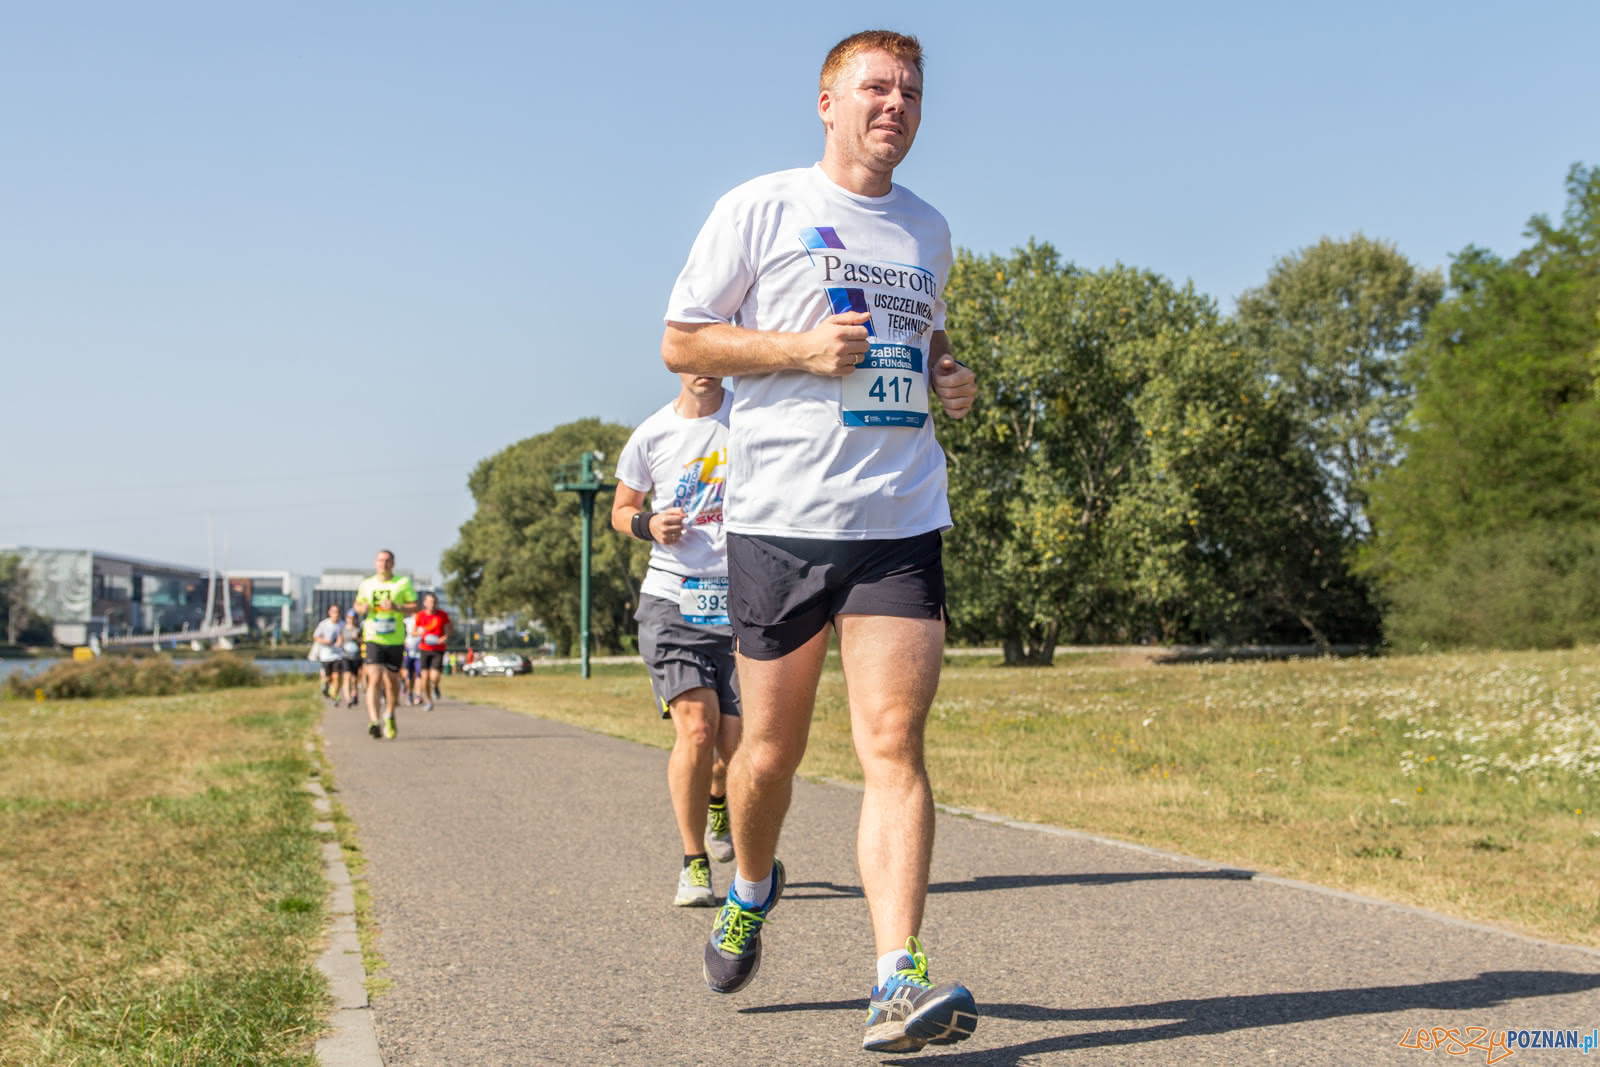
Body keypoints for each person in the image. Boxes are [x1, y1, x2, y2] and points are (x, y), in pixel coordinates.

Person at [660, 29, 979, 1053]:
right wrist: (797, 347)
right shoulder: (762, 206)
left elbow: (918, 337)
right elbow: (683, 338)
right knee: (767, 754)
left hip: (899, 518)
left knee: (892, 744)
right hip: (782, 521)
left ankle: (896, 973)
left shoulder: (927, 229)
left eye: (912, 91)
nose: (896, 104)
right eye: (875, 88)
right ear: (827, 99)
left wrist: (947, 374)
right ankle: (750, 884)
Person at [611, 373, 742, 908]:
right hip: (672, 599)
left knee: (735, 747)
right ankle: (694, 863)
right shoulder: (651, 435)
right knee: (697, 728)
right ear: (678, 363)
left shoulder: (749, 417)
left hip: (743, 599)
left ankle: (719, 800)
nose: (703, 367)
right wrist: (647, 524)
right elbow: (622, 509)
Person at [353, 549, 418, 739]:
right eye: (381, 560)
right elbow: (357, 605)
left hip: (395, 638)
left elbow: (415, 606)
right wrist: (361, 608)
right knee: (373, 678)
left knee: (392, 680)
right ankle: (374, 720)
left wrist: (397, 607)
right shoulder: (367, 584)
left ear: (393, 564)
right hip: (373, 637)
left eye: (388, 560)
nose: (384, 564)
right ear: (375, 563)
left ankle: (389, 713)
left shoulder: (402, 583)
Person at [413, 592, 451, 709]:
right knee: (424, 677)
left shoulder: (442, 615)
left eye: (434, 602)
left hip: (438, 649)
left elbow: (450, 628)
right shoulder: (420, 615)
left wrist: (445, 637)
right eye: (429, 602)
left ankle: (435, 686)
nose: (432, 604)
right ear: (424, 603)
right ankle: (428, 701)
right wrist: (419, 632)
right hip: (424, 649)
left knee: (434, 677)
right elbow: (413, 632)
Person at [312, 603, 346, 697]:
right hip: (326, 655)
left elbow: (345, 637)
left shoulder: (342, 624)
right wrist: (325, 641)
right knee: (327, 677)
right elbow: (315, 636)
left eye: (338, 612)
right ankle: (326, 686)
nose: (336, 614)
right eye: (334, 612)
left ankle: (334, 695)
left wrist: (341, 640)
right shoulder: (324, 624)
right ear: (329, 612)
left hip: (338, 655)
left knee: (337, 676)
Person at [339, 607, 363, 707]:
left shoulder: (359, 629)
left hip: (356, 657)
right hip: (346, 656)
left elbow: (363, 642)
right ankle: (348, 699)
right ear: (346, 618)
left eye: (353, 618)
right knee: (347, 677)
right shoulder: (343, 629)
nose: (351, 619)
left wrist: (357, 638)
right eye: (349, 617)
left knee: (355, 679)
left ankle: (355, 694)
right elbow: (339, 641)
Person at [401, 614, 422, 705]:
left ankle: (417, 695)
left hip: (420, 652)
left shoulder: (424, 621)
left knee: (418, 675)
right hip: (408, 652)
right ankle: (409, 692)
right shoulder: (406, 621)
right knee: (408, 675)